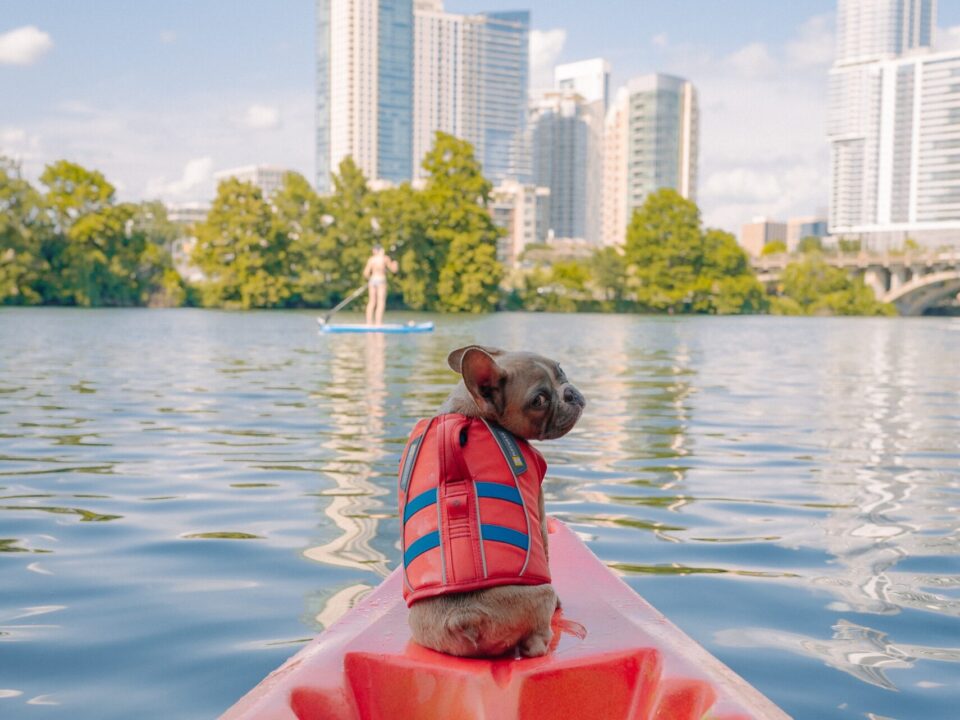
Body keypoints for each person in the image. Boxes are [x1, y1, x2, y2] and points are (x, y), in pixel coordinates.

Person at [363, 244, 398, 326]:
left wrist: (370, 278)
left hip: (372, 280)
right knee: (381, 302)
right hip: (381, 280)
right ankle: (378, 323)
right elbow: (393, 270)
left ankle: (369, 323)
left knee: (371, 301)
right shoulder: (385, 258)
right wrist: (395, 264)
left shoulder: (371, 259)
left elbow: (366, 273)